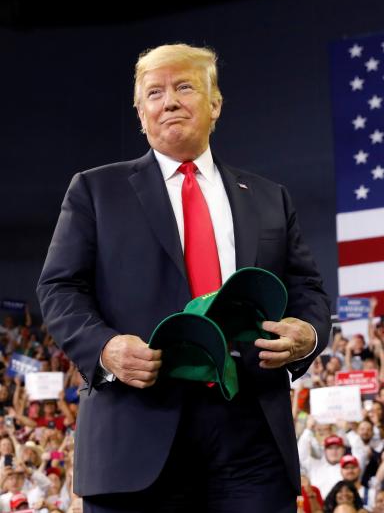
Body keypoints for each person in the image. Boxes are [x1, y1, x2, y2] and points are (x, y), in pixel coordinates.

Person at [36, 43, 330, 512]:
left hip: (250, 431)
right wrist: (106, 349)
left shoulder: (269, 197)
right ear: (140, 114)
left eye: (184, 86)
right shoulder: (95, 190)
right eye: (154, 92)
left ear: (215, 104)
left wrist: (308, 333)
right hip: (136, 426)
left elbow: (307, 290)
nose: (168, 101)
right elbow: (58, 288)